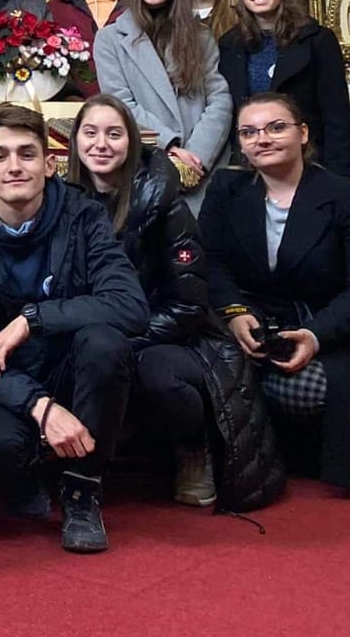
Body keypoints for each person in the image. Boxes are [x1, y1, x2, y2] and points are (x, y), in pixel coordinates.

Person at [0, 104, 148, 554]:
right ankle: (31, 473)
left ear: (50, 164)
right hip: (5, 378)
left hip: (72, 368)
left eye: (27, 154)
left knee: (105, 343)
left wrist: (33, 319)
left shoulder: (83, 215)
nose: (14, 166)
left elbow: (130, 306)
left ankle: (83, 489)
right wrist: (39, 406)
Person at [66, 95, 284, 512]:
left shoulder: (165, 204)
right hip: (96, 330)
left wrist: (126, 340)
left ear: (132, 142)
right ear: (75, 142)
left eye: (114, 134)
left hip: (174, 337)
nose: (101, 144)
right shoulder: (63, 202)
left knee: (155, 373)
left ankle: (192, 448)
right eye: (90, 133)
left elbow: (188, 305)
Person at [198, 93, 350, 498]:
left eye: (276, 127)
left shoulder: (345, 197)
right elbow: (211, 263)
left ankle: (308, 454)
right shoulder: (226, 189)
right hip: (252, 320)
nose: (262, 139)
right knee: (202, 373)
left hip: (329, 325)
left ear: (303, 133)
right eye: (249, 132)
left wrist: (314, 336)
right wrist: (235, 313)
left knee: (307, 388)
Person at [93, 0, 232, 211]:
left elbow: (220, 99)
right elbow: (120, 103)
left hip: (201, 165)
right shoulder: (109, 39)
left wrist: (196, 156)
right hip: (147, 162)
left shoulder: (200, 36)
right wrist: (170, 145)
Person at [218, 0, 350, 178]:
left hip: (308, 162)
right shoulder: (229, 44)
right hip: (249, 163)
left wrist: (340, 177)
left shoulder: (317, 40)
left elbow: (336, 115)